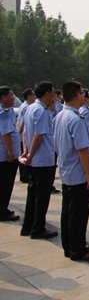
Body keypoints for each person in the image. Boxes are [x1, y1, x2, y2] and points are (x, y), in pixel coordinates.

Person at [53, 81, 89, 260]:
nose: (83, 96)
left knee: (68, 211)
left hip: (67, 170)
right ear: (76, 95)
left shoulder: (60, 116)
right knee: (78, 214)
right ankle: (78, 249)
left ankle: (69, 246)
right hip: (78, 173)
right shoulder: (76, 119)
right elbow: (82, 149)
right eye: (81, 93)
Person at [21, 81, 58, 239]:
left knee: (32, 194)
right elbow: (39, 136)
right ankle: (38, 228)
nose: (54, 96)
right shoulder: (42, 111)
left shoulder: (30, 108)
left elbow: (25, 133)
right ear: (47, 93)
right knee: (42, 196)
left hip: (35, 160)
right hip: (43, 159)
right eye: (53, 92)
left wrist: (26, 151)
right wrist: (30, 154)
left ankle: (28, 225)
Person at [0, 86, 21, 221]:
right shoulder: (5, 112)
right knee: (5, 184)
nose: (13, 98)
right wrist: (10, 151)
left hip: (3, 154)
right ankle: (2, 211)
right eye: (11, 95)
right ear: (3, 97)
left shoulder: (7, 110)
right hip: (6, 155)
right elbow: (6, 133)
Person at [16, 88, 35, 183]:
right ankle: (25, 177)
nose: (35, 97)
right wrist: (19, 133)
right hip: (24, 135)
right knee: (25, 156)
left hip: (22, 135)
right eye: (33, 95)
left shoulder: (23, 105)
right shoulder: (26, 107)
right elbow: (23, 122)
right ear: (29, 96)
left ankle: (23, 177)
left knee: (23, 157)